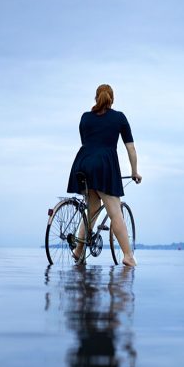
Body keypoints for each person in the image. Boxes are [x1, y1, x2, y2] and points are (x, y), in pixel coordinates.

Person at [66, 84, 142, 266]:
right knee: (115, 212)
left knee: (91, 211)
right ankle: (128, 256)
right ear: (112, 99)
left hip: (82, 163)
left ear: (96, 98)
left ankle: (78, 251)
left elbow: (86, 141)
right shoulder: (119, 118)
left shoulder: (85, 118)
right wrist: (134, 172)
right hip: (104, 166)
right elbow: (130, 148)